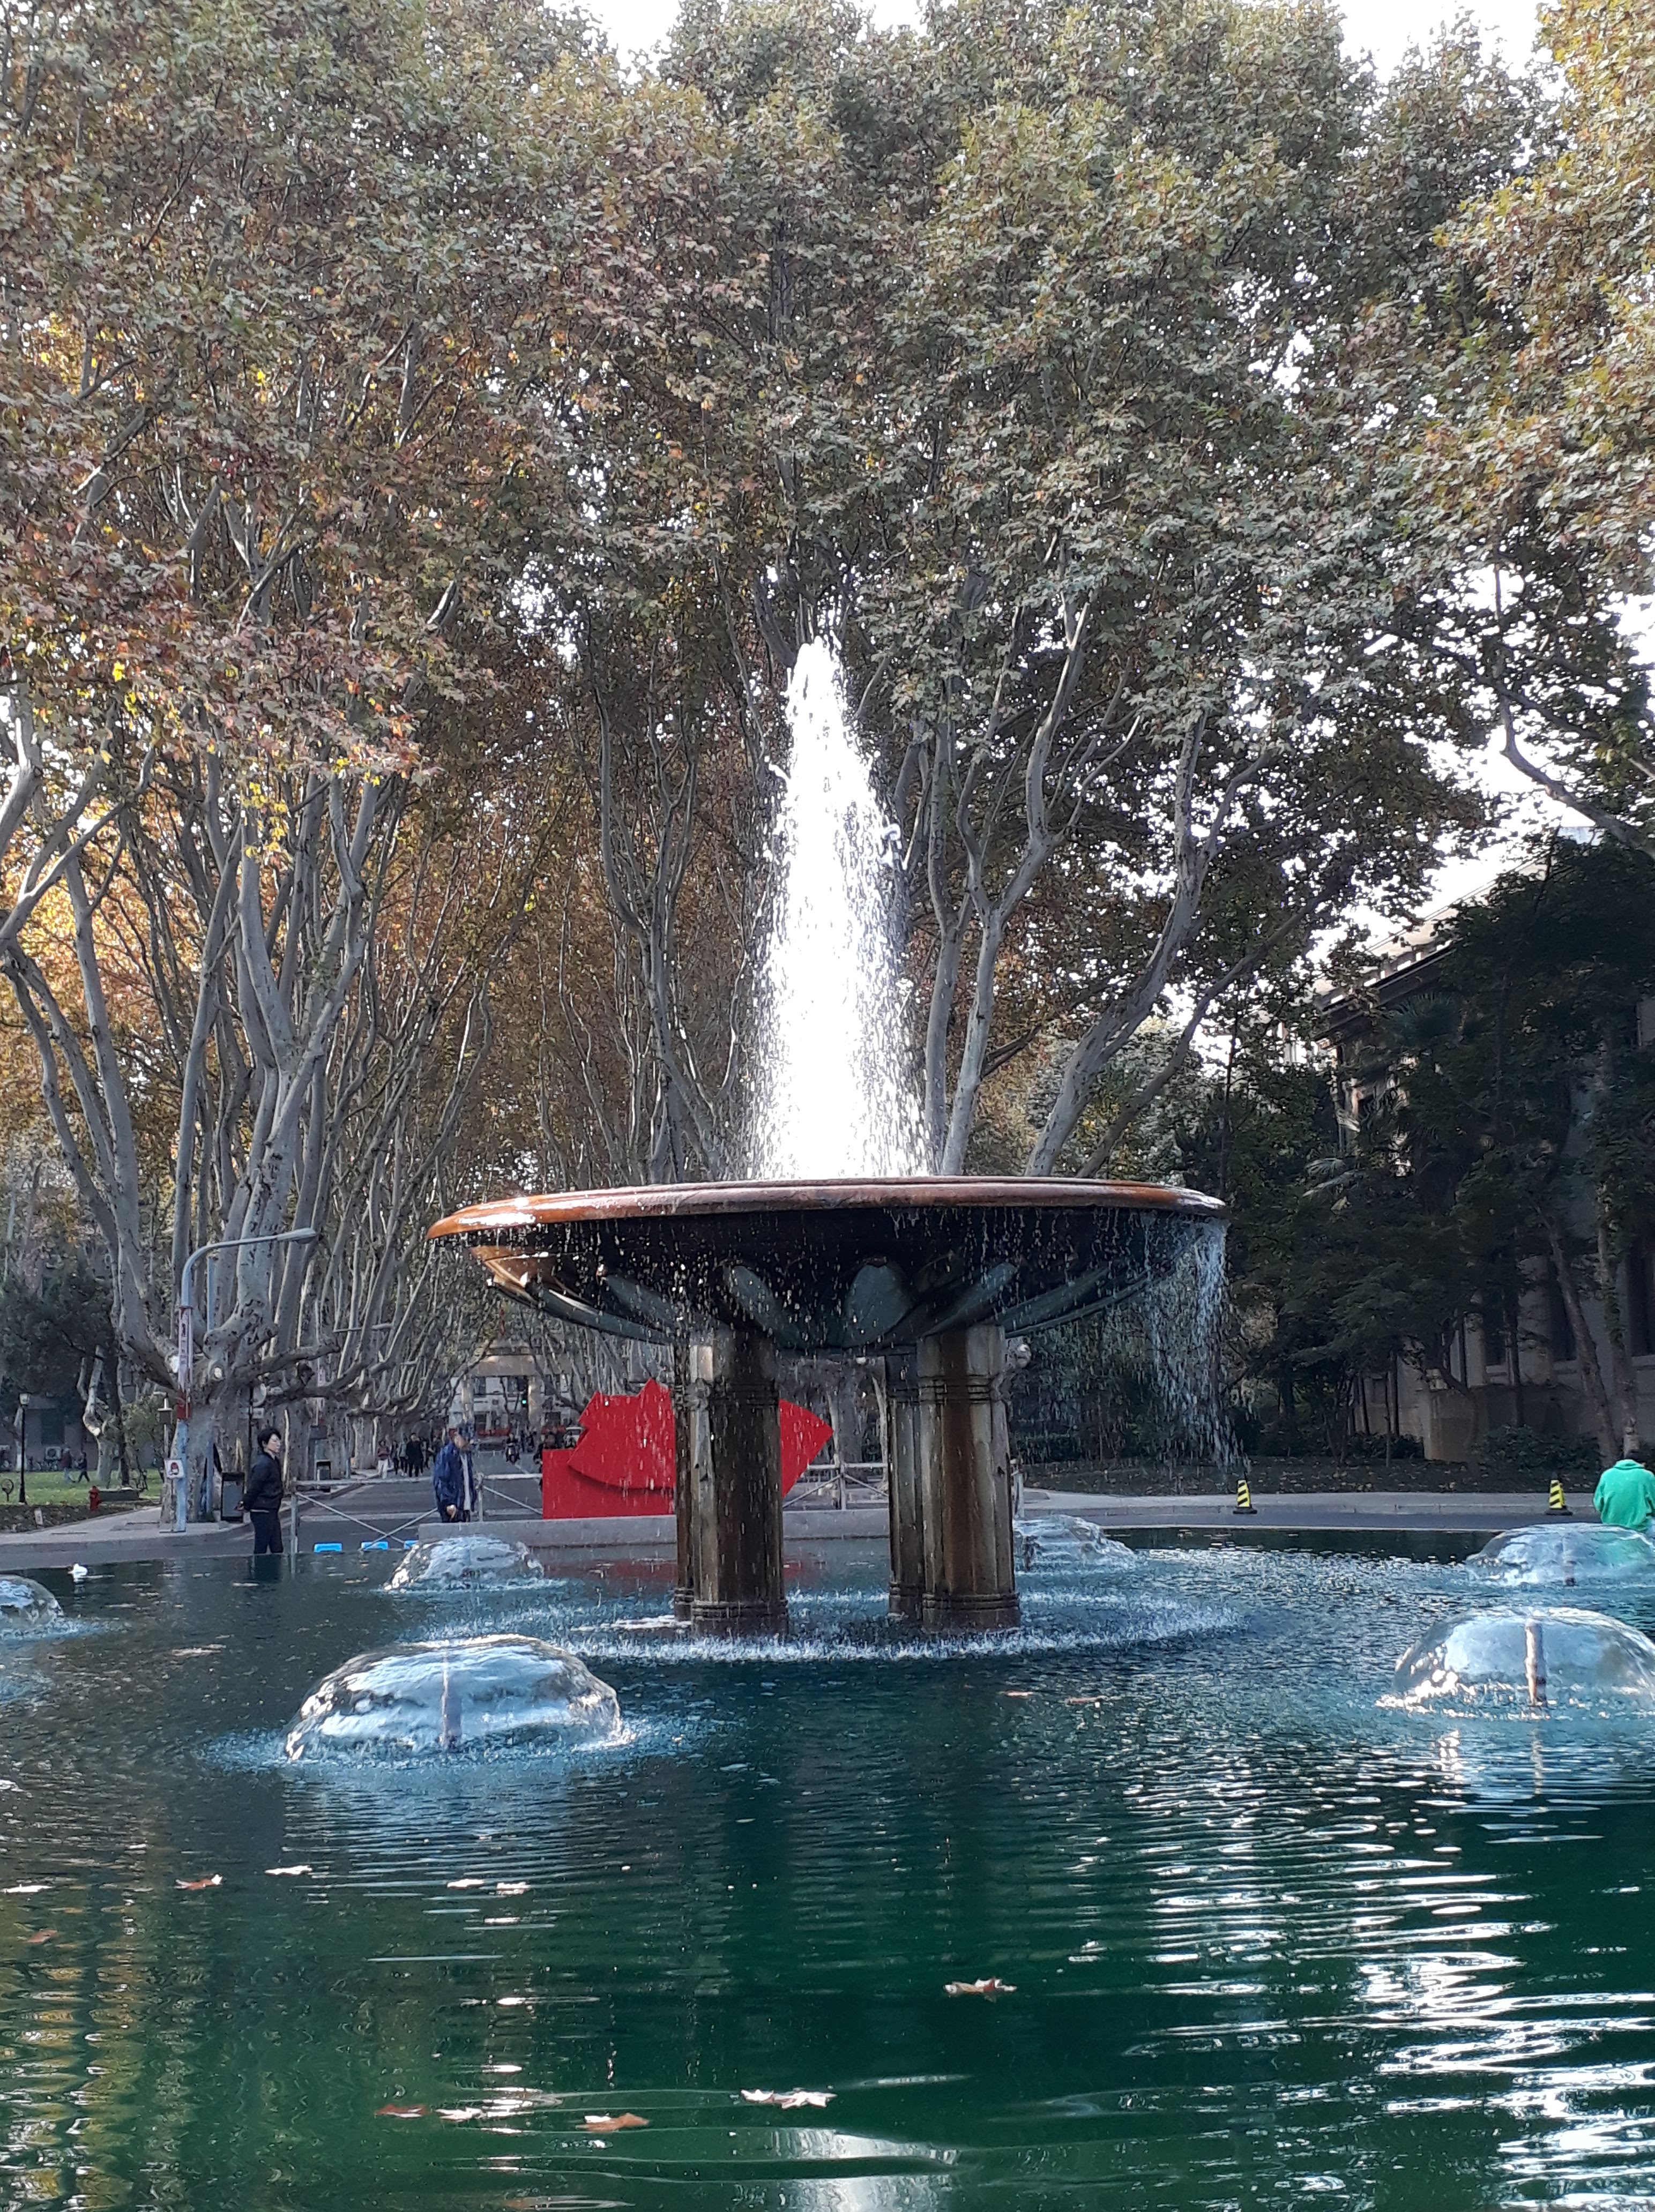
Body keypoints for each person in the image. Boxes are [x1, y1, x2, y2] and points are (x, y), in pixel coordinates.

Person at [244, 1426, 286, 1555]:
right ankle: (258, 1568)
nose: (278, 1444)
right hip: (262, 1509)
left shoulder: (274, 1461)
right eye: (274, 1441)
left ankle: (273, 1569)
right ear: (264, 1444)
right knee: (261, 1547)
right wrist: (246, 1504)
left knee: (277, 1547)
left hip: (271, 1509)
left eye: (279, 1441)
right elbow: (255, 1486)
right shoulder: (264, 1464)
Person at [1593, 1454, 1655, 1530]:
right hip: (1640, 1526)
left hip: (1611, 1525)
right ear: (1643, 1464)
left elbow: (1598, 1504)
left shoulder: (1606, 1475)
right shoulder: (1647, 1476)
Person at [431, 1427, 468, 1523]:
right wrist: (448, 1503)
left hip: (462, 1503)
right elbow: (441, 1480)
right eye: (465, 1439)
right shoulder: (448, 1454)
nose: (468, 1443)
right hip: (454, 1504)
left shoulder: (464, 1454)